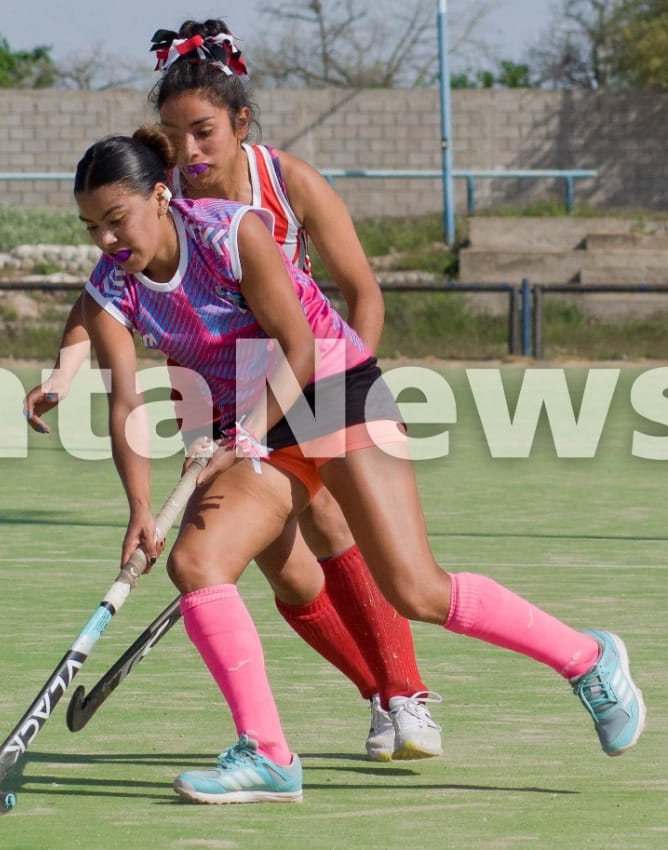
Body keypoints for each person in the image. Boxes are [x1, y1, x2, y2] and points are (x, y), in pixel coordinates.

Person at [74, 128, 645, 804]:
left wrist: (247, 436)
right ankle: (269, 755)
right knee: (196, 563)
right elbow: (124, 403)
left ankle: (588, 660)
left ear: (161, 196)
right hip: (254, 406)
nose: (108, 240)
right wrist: (141, 508)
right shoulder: (115, 283)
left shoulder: (232, 233)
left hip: (328, 382)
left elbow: (298, 346)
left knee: (416, 589)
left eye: (116, 220)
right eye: (92, 228)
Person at [23, 21, 442, 763]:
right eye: (178, 138)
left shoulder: (290, 181)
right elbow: (97, 302)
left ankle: (406, 697)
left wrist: (343, 394)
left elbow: (361, 292)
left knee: (331, 527)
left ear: (239, 123)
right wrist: (67, 367)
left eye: (206, 133)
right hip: (220, 397)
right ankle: (376, 695)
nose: (191, 154)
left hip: (308, 374)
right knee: (283, 565)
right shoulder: (161, 201)